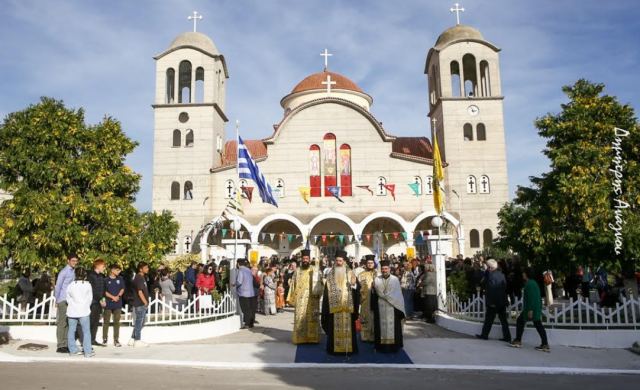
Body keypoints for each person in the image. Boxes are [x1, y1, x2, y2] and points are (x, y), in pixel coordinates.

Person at [321, 250, 359, 355]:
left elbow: (357, 289)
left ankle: (349, 349)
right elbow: (326, 292)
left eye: (340, 261)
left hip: (347, 307)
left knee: (349, 329)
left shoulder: (351, 273)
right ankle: (334, 350)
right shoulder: (330, 275)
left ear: (344, 261)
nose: (338, 262)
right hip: (334, 308)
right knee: (334, 330)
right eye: (337, 260)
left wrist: (354, 284)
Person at [287, 249, 323, 344]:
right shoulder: (297, 271)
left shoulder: (315, 270)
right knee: (300, 319)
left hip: (312, 299)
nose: (305, 260)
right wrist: (291, 299)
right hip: (300, 300)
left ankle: (312, 339)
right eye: (304, 258)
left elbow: (321, 283)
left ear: (310, 259)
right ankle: (300, 338)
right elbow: (293, 285)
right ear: (301, 259)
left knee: (312, 318)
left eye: (307, 258)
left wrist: (319, 293)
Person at [510, 268, 550, 352]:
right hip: (534, 307)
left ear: (527, 274)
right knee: (537, 324)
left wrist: (530, 310)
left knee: (522, 321)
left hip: (531, 308)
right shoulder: (533, 283)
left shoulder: (530, 284)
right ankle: (544, 344)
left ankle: (518, 340)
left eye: (524, 273)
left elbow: (531, 297)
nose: (523, 274)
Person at [371, 260, 405, 353]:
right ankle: (380, 347)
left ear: (389, 269)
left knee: (394, 327)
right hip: (380, 306)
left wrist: (386, 296)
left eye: (386, 269)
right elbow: (375, 294)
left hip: (393, 306)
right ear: (381, 269)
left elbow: (398, 293)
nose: (384, 270)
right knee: (379, 327)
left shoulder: (395, 279)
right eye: (383, 269)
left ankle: (394, 347)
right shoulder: (377, 279)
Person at [476, 259, 511, 342]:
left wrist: (491, 302)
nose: (487, 269)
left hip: (494, 302)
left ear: (490, 267)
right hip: (502, 301)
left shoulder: (491, 276)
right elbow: (504, 288)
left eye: (487, 267)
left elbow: (492, 290)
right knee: (503, 321)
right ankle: (507, 337)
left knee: (488, 320)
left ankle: (484, 335)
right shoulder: (502, 274)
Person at [66, 267, 94, 357]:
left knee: (71, 331)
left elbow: (68, 298)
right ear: (85, 275)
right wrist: (85, 305)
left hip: (72, 311)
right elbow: (90, 298)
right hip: (84, 311)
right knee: (86, 331)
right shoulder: (87, 285)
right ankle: (87, 352)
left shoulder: (71, 285)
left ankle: (72, 351)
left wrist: (72, 304)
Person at [54, 253, 78, 353]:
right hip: (63, 300)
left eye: (76, 261)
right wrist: (57, 300)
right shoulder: (64, 272)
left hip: (70, 300)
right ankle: (60, 345)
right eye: (73, 261)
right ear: (68, 261)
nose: (75, 263)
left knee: (68, 323)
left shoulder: (73, 272)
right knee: (62, 323)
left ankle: (66, 344)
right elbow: (58, 286)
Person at [128, 262, 150, 347]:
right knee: (139, 322)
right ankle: (137, 340)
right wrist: (145, 302)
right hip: (140, 303)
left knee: (140, 322)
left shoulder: (141, 277)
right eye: (146, 268)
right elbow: (140, 292)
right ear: (141, 269)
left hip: (140, 303)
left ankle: (132, 339)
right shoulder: (139, 278)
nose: (147, 269)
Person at [103, 264, 125, 347]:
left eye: (119, 270)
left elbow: (122, 289)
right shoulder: (105, 280)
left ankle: (116, 339)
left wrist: (118, 296)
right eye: (117, 270)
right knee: (106, 322)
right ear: (112, 270)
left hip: (118, 303)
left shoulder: (120, 279)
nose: (119, 272)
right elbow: (104, 291)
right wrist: (112, 297)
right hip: (108, 303)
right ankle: (105, 339)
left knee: (117, 322)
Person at [87, 259, 107, 347]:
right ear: (98, 266)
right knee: (90, 321)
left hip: (99, 302)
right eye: (103, 266)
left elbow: (102, 289)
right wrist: (100, 299)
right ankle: (87, 340)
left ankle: (93, 339)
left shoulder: (102, 276)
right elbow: (93, 290)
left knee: (96, 321)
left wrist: (103, 299)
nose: (104, 268)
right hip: (93, 302)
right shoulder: (91, 275)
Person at [357, 255, 377, 342]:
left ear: (374, 264)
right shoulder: (361, 275)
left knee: (374, 318)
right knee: (365, 318)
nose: (370, 264)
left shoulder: (378, 274)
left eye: (371, 263)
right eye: (368, 263)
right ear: (366, 264)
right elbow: (358, 288)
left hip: (376, 300)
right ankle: (365, 336)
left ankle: (374, 336)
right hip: (365, 300)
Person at [236, 259, 258, 328]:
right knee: (250, 309)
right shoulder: (248, 270)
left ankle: (247, 324)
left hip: (243, 293)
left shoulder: (241, 270)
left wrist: (234, 285)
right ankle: (251, 323)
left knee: (245, 309)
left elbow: (239, 281)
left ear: (238, 264)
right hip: (251, 292)